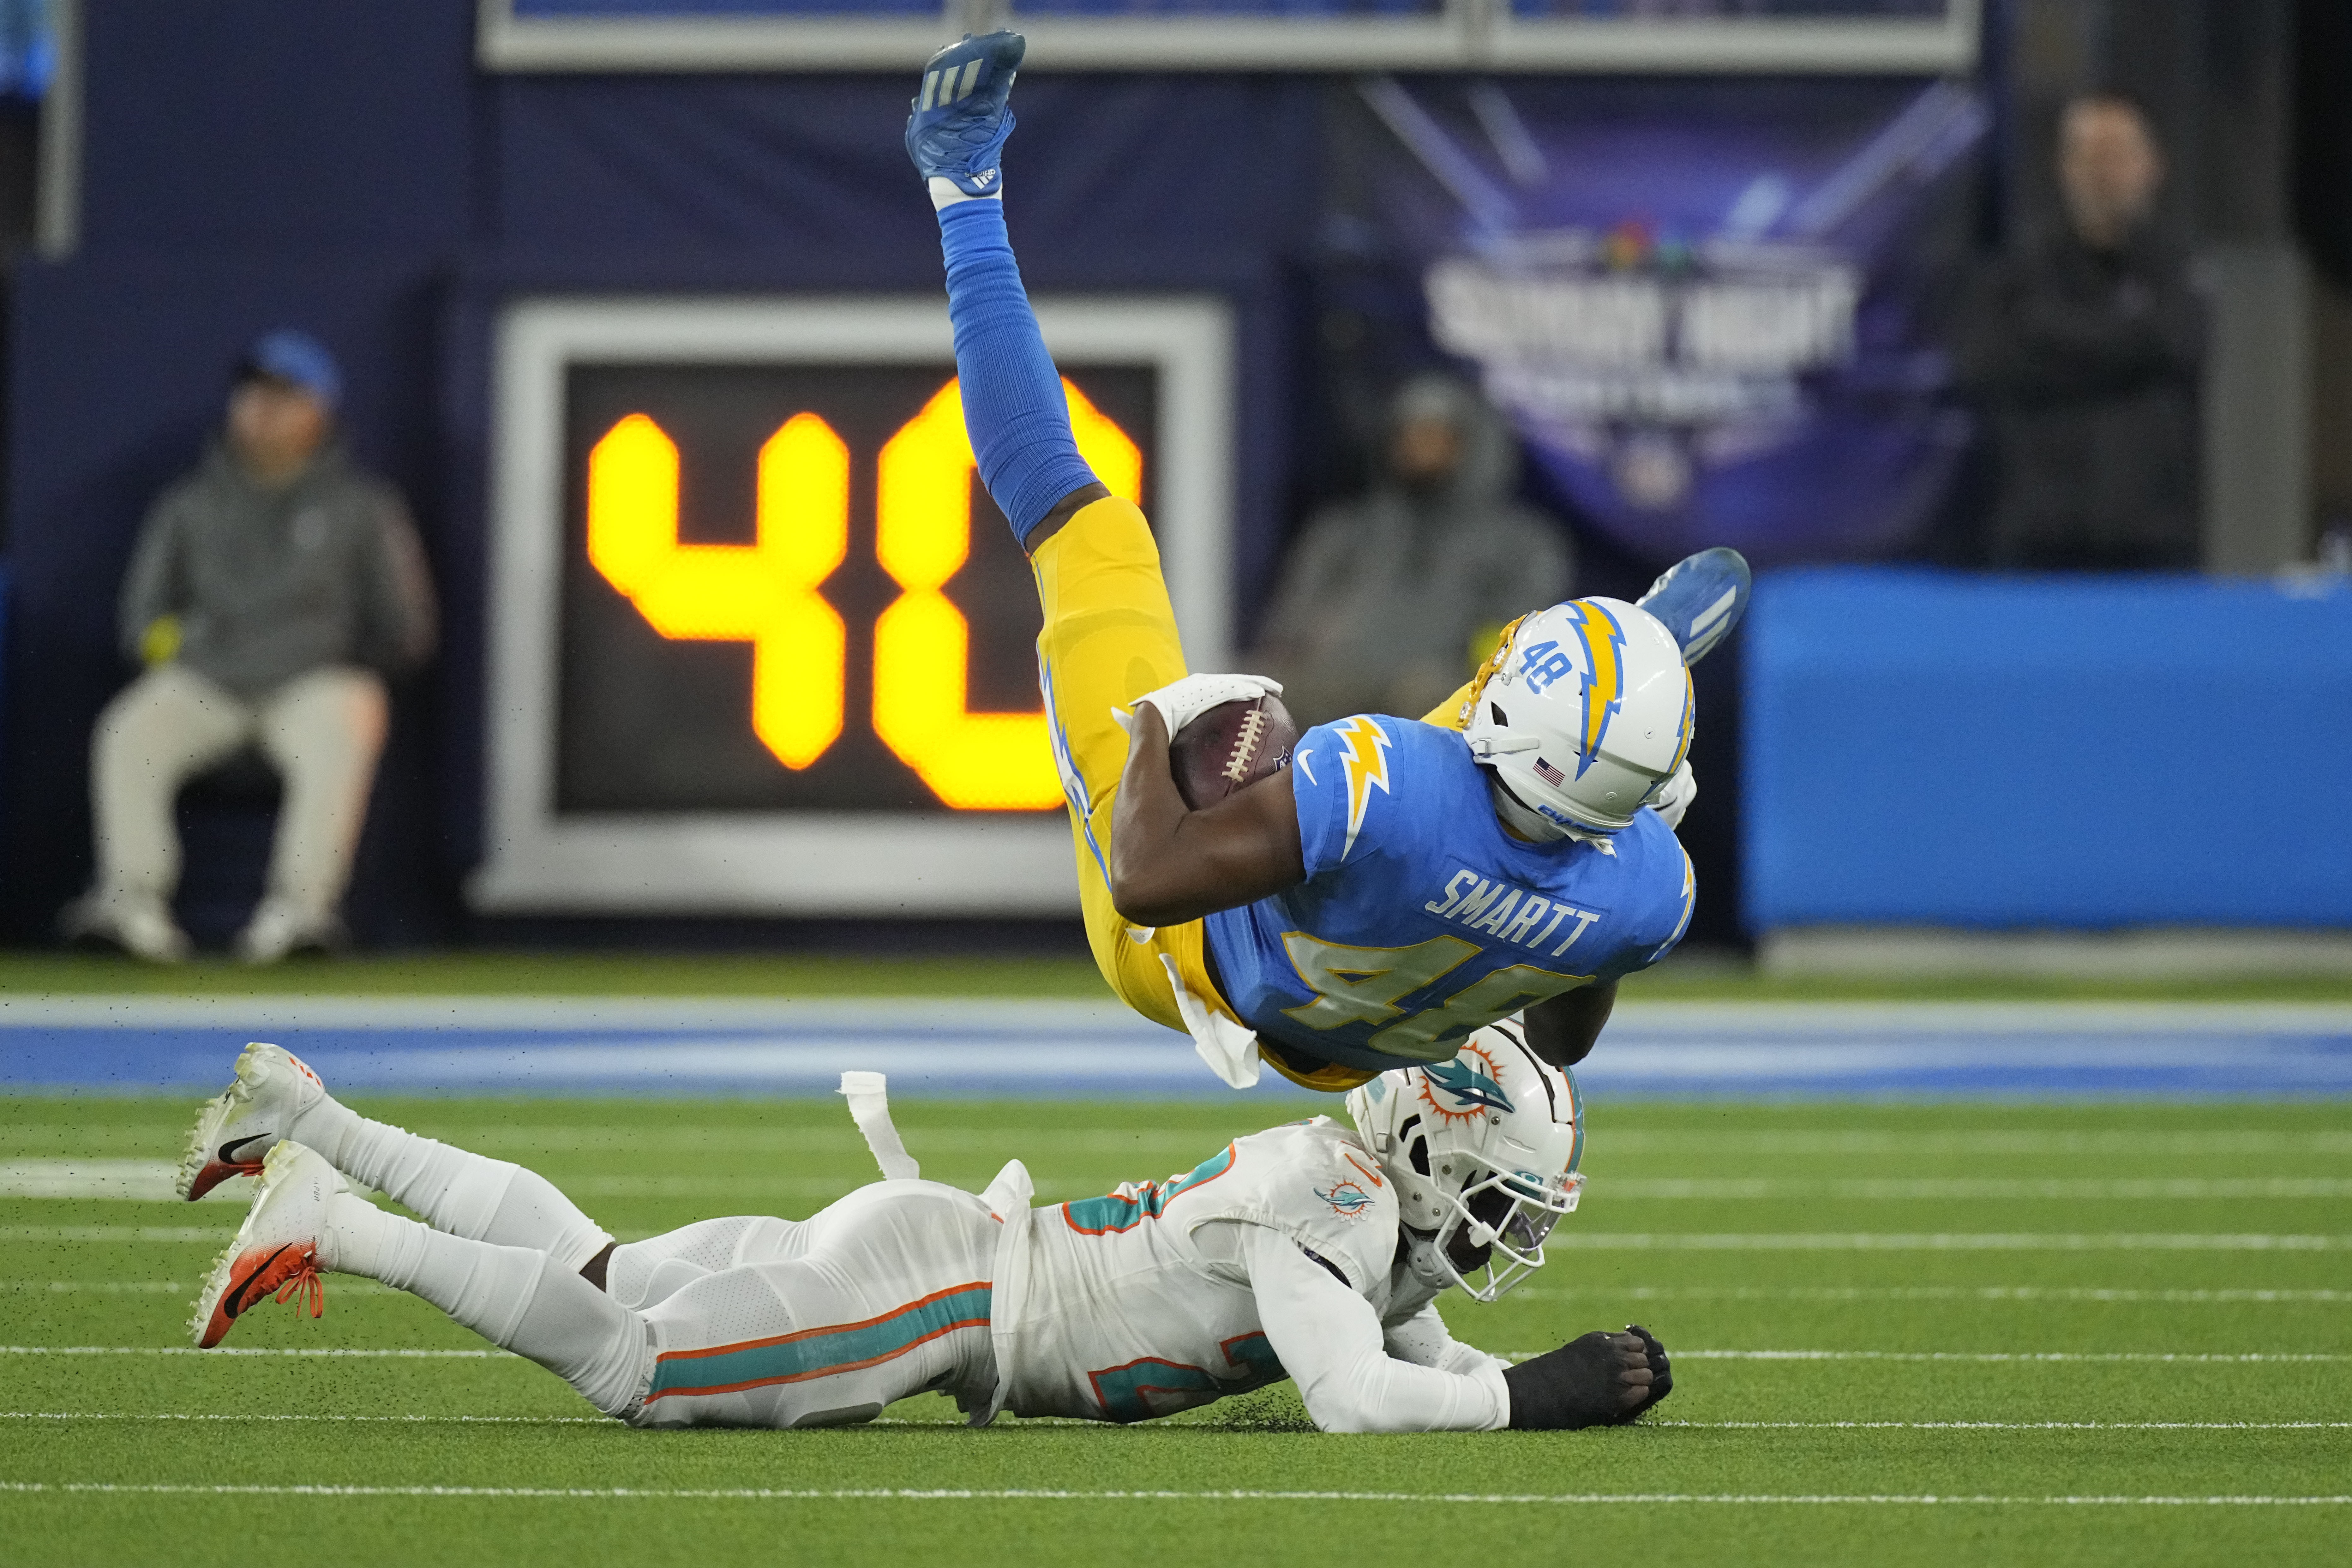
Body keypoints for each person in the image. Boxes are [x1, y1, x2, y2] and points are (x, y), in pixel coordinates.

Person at [905, 31, 1749, 1093]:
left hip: (1192, 967)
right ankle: (1636, 683)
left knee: (1091, 537)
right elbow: (1558, 1036)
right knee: (1491, 822)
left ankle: (961, 189)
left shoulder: (1389, 784)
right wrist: (1622, 837)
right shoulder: (1648, 892)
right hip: (1371, 1040)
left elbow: (1143, 879)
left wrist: (1167, 721)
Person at [181, 1035, 1671, 1434]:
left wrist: (1516, 1379)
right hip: (949, 1293)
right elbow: (1355, 1398)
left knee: (610, 1268)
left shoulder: (1356, 1214)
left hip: (942, 1253)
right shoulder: (1335, 1199)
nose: (1495, 1230)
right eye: (1499, 1194)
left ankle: (313, 1117)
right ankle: (338, 1220)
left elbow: (1414, 1349)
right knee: (642, 1363)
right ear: (1427, 1146)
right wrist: (1535, 1395)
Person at [58, 330, 437, 964]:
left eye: (283, 397)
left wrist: (340, 656)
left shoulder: (363, 508)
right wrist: (180, 650)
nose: (262, 411)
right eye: (253, 395)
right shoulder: (190, 504)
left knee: (350, 713)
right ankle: (132, 903)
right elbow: (144, 617)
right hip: (208, 680)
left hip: (315, 683)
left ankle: (299, 912)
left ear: (319, 411)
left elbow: (407, 628)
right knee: (130, 729)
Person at [1954, 92, 2206, 570]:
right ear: (2065, 167)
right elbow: (1988, 360)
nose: (2105, 175)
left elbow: (2180, 340)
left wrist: (2058, 343)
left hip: (2155, 543)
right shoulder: (2019, 269)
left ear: (2152, 166)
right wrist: (2131, 345)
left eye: (2118, 157)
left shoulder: (2178, 266)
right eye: (2092, 157)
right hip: (2045, 541)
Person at [1250, 373, 1573, 726]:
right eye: (1408, 434)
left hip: (1441, 684)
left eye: (1434, 435)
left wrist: (1458, 671)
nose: (1418, 447)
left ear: (1473, 445)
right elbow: (1289, 623)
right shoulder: (1345, 531)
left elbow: (1517, 638)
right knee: (1246, 691)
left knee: (1426, 696)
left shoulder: (1521, 543)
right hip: (1337, 679)